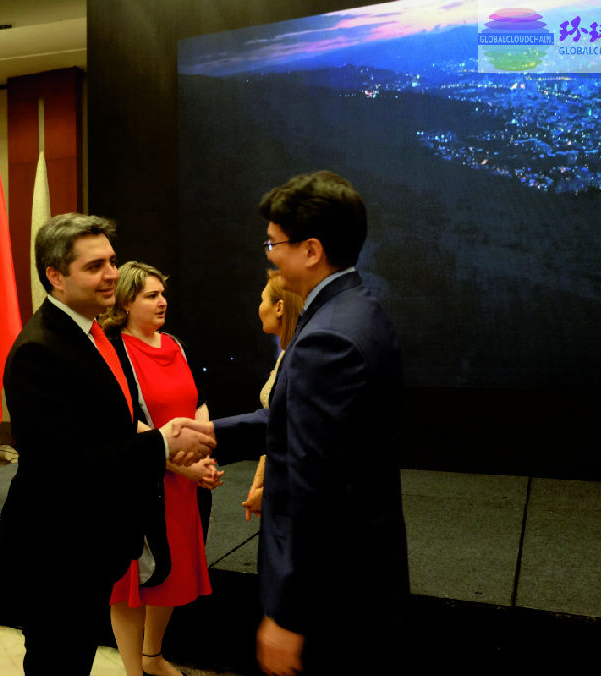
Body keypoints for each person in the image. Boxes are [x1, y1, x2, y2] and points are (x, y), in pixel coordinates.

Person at [0, 213, 216, 676]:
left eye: (113, 262)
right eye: (95, 266)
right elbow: (70, 464)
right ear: (56, 276)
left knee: (75, 654)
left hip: (92, 540)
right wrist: (162, 444)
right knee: (58, 661)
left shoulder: (92, 334)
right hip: (58, 546)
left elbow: (110, 428)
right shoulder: (40, 350)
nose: (112, 274)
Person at [213, 172, 409, 676]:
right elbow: (300, 423)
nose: (270, 256)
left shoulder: (328, 339)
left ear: (312, 250)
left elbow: (315, 488)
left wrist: (286, 613)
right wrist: (213, 435)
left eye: (273, 244)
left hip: (331, 597)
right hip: (358, 578)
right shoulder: (356, 310)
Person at [100, 261, 222, 676]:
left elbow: (199, 400)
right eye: (151, 295)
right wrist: (178, 464)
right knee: (131, 585)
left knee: (171, 578)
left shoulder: (175, 344)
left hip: (184, 482)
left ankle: (153, 657)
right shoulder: (112, 349)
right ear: (125, 302)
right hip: (142, 481)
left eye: (162, 293)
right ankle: (133, 671)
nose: (162, 301)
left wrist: (203, 451)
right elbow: (121, 421)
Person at [241, 270, 303, 521]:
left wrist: (272, 492)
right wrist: (259, 482)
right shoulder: (286, 354)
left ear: (279, 307)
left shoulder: (301, 358)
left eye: (262, 299)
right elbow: (273, 431)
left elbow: (299, 438)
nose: (259, 308)